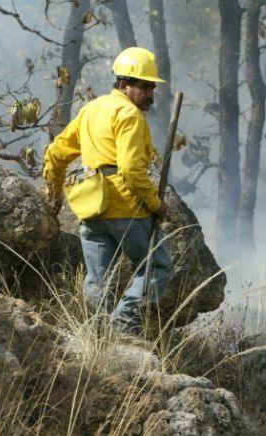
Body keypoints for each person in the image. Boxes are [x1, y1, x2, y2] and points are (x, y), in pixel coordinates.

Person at [43, 47, 173, 336]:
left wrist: (53, 195)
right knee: (157, 267)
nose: (150, 93)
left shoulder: (91, 109)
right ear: (123, 84)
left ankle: (97, 337)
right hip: (127, 209)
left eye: (152, 86)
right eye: (144, 86)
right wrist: (156, 205)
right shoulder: (129, 114)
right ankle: (124, 325)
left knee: (97, 281)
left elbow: (55, 153)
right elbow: (130, 170)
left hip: (90, 208)